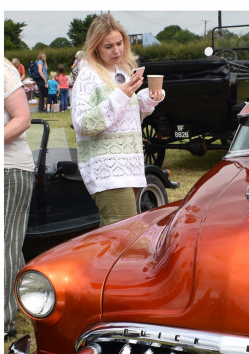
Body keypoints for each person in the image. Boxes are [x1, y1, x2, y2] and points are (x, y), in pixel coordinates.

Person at [71, 14, 164, 227]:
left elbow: (125, 119)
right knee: (122, 236)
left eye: (120, 43)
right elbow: (83, 124)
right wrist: (122, 95)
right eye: (109, 46)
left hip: (130, 167)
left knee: (121, 236)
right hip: (108, 170)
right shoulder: (88, 76)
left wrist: (146, 100)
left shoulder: (121, 72)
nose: (116, 50)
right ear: (95, 47)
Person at [1, 57, 35, 338]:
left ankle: (4, 322)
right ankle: (29, 302)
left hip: (11, 167)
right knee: (10, 245)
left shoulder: (3, 69)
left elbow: (23, 119)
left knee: (7, 245)